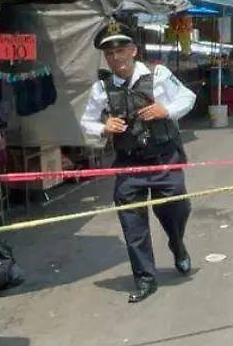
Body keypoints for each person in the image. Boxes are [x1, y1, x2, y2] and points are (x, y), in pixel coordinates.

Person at [80, 22, 197, 303]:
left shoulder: (158, 75)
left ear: (133, 51)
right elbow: (86, 121)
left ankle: (177, 244)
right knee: (132, 225)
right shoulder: (102, 87)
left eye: (121, 51)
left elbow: (188, 97)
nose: (116, 58)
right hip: (128, 164)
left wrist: (165, 110)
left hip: (163, 159)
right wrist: (104, 126)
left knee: (177, 209)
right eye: (109, 54)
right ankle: (145, 279)